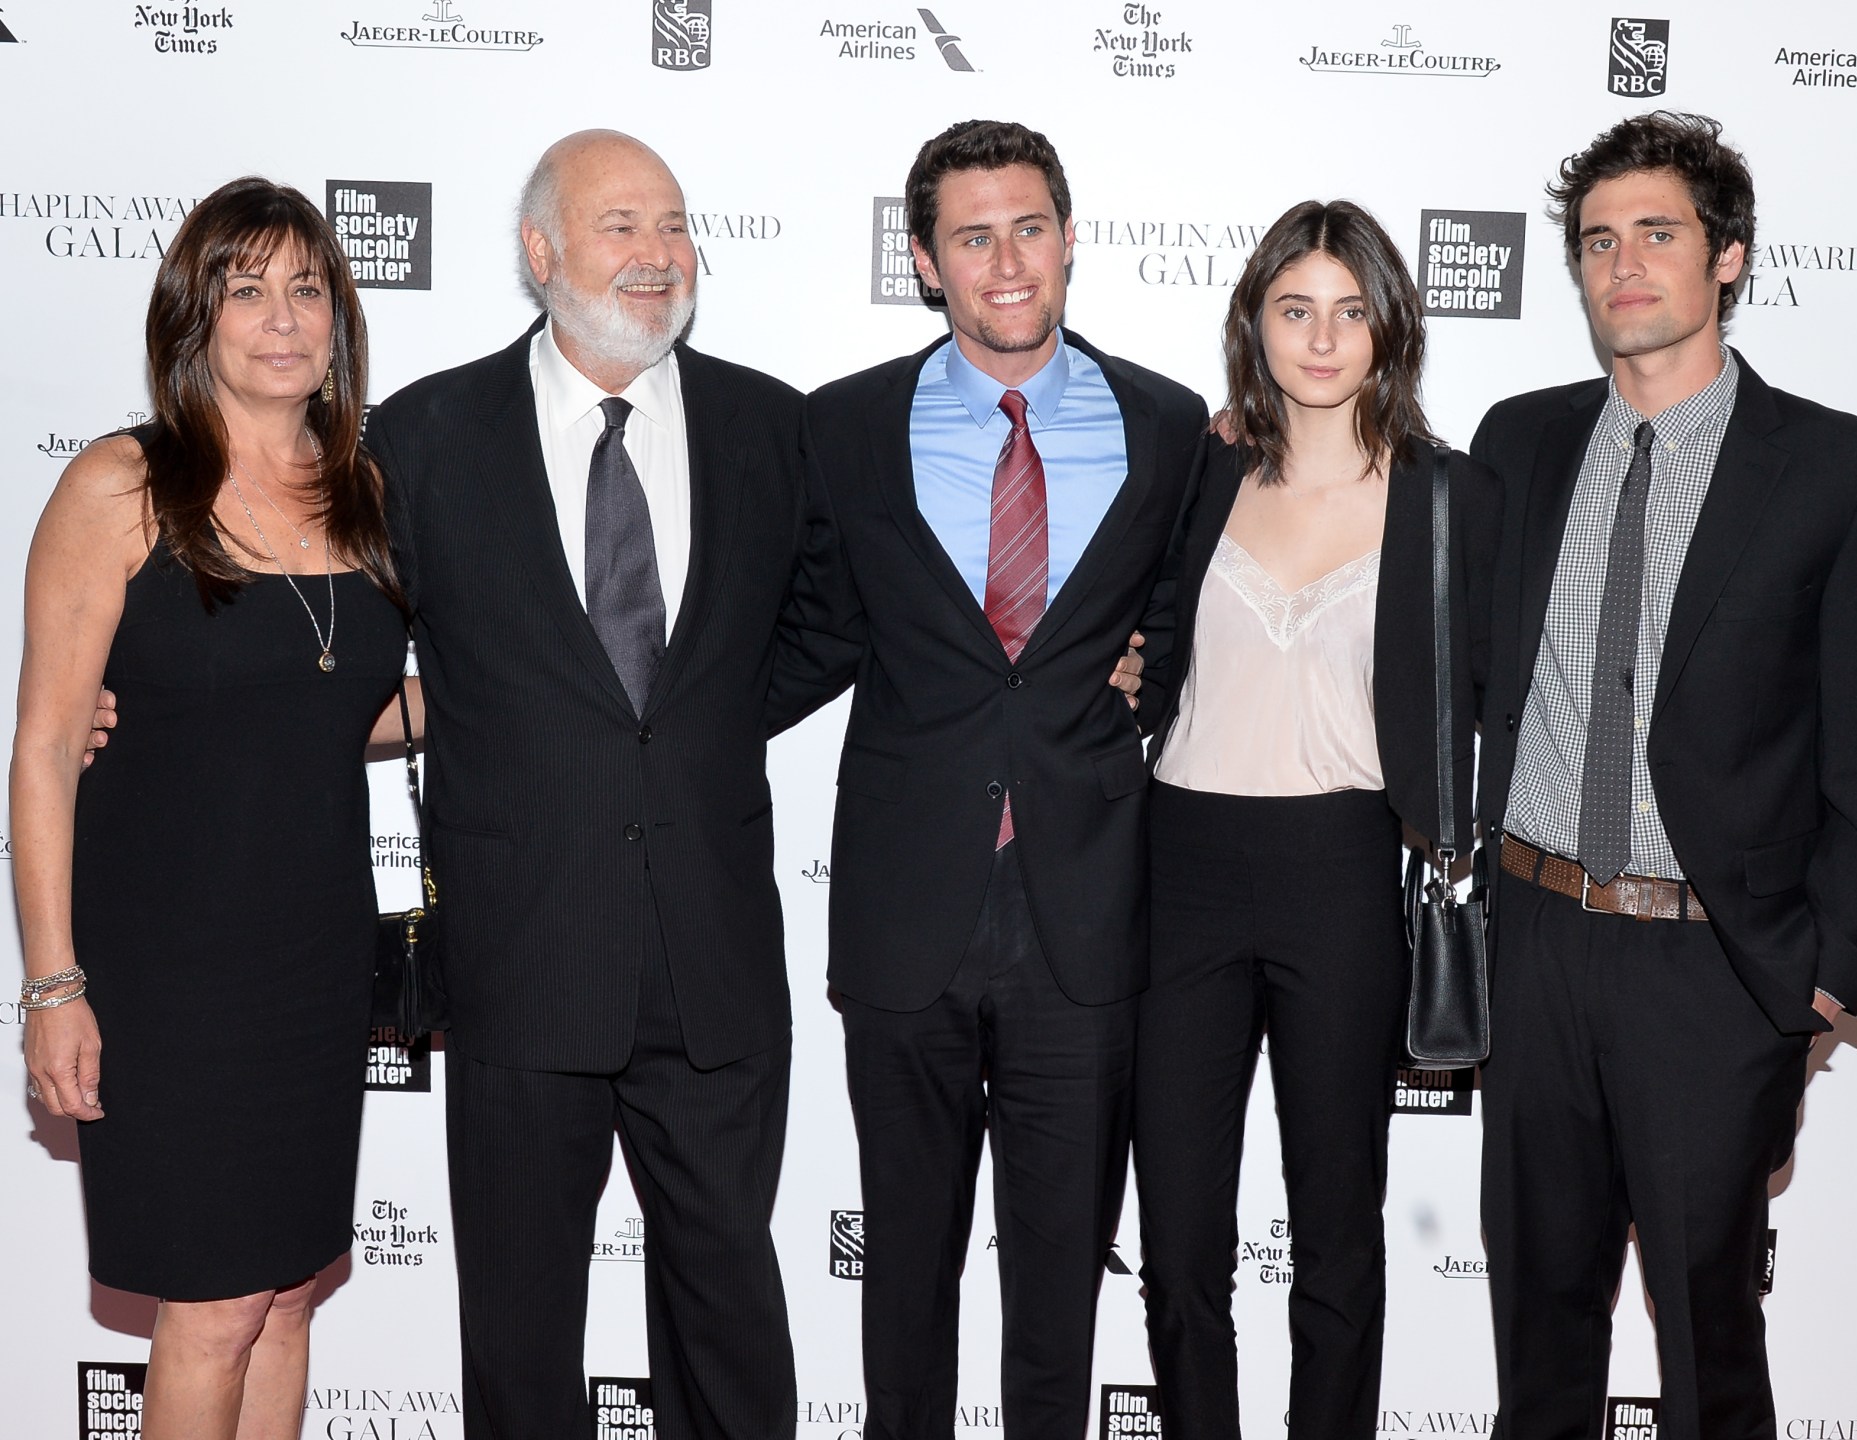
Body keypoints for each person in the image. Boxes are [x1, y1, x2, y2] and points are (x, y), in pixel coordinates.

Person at [1471, 110, 1857, 1440]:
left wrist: (1828, 976)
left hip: (1714, 966)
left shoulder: (1844, 471)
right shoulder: (1517, 443)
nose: (1624, 263)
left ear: (1726, 257)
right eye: (1598, 240)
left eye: (1657, 233)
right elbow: (1430, 632)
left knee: (1711, 1352)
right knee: (1537, 1342)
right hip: (1535, 941)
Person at [770, 119, 1208, 1440]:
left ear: (1069, 240)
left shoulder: (1168, 424)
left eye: (1029, 229)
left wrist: (1148, 684)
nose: (1007, 262)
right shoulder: (843, 427)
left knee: (1060, 1295)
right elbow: (807, 630)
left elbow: (1182, 623)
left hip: (1086, 912)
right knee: (906, 1276)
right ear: (925, 260)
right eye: (973, 237)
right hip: (906, 909)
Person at [363, 130, 800, 1440]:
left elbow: (834, 617)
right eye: (621, 226)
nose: (658, 255)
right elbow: (335, 647)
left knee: (730, 1319)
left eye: (674, 225)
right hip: (521, 951)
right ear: (540, 251)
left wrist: (698, 726)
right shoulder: (426, 435)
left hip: (713, 956)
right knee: (518, 1331)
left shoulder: (770, 428)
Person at [12, 177, 410, 1440]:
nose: (283, 320)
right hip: (168, 971)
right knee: (215, 1307)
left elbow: (335, 705)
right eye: (247, 291)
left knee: (286, 1297)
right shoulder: (122, 486)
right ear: (196, 318)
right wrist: (53, 984)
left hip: (315, 959)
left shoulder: (366, 494)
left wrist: (544, 696)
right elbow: (47, 747)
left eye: (308, 290)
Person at [1125, 201, 1500, 1439]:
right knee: (1180, 1239)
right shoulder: (1201, 470)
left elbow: (1498, 696)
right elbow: (1136, 639)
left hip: (1342, 871)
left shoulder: (1449, 497)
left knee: (1339, 1236)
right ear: (1257, 323)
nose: (1324, 339)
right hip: (1179, 869)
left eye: (1350, 311)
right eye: (1296, 310)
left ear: (1390, 327)